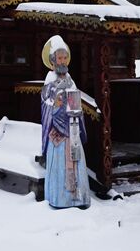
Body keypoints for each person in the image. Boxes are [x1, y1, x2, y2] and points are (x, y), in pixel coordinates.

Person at [40, 35, 91, 209]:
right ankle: (60, 199)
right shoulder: (49, 82)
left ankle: (79, 198)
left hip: (73, 130)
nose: (62, 61)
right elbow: (46, 106)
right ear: (52, 61)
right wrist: (56, 103)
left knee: (76, 162)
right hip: (58, 135)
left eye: (64, 58)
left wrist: (74, 104)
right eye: (59, 58)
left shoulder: (70, 80)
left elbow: (76, 101)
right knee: (60, 166)